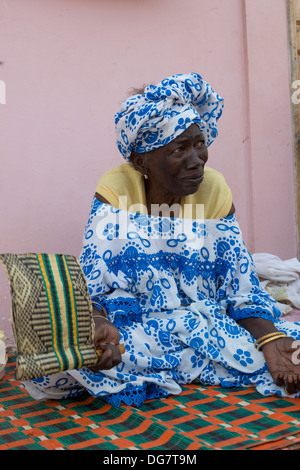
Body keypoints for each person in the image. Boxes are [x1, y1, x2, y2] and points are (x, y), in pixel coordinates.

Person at [23, 73, 300, 406]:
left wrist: (270, 339)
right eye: (179, 149)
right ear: (142, 161)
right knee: (54, 366)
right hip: (135, 331)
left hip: (206, 326)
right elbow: (93, 284)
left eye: (199, 143)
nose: (196, 160)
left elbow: (238, 288)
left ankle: (186, 364)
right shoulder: (117, 191)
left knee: (286, 353)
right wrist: (97, 326)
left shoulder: (213, 191)